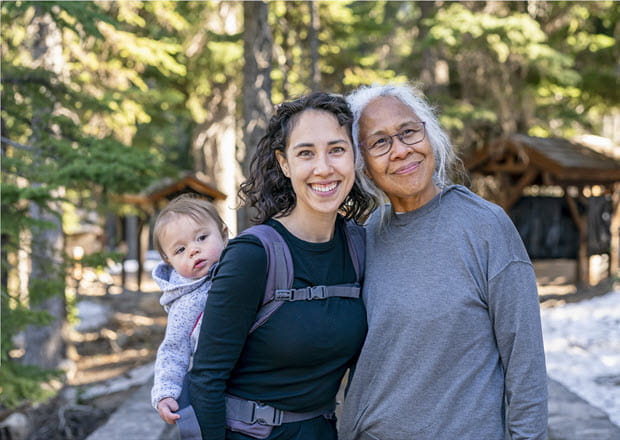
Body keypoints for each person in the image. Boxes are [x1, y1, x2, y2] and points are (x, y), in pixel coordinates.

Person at [339, 83, 548, 440]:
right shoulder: (366, 234)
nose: (401, 151)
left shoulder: (485, 226)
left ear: (429, 134)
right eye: (379, 142)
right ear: (363, 166)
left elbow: (524, 361)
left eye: (408, 132)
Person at [188, 91, 375, 440]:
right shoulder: (253, 255)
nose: (323, 168)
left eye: (336, 149)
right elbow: (205, 379)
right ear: (284, 163)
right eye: (306, 153)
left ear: (354, 158)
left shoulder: (361, 247)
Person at [150, 194, 228, 428]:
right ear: (169, 260)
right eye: (180, 250)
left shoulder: (242, 269)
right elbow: (173, 350)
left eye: (202, 238)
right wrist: (165, 393)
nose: (194, 250)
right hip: (220, 383)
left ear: (224, 235)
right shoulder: (186, 303)